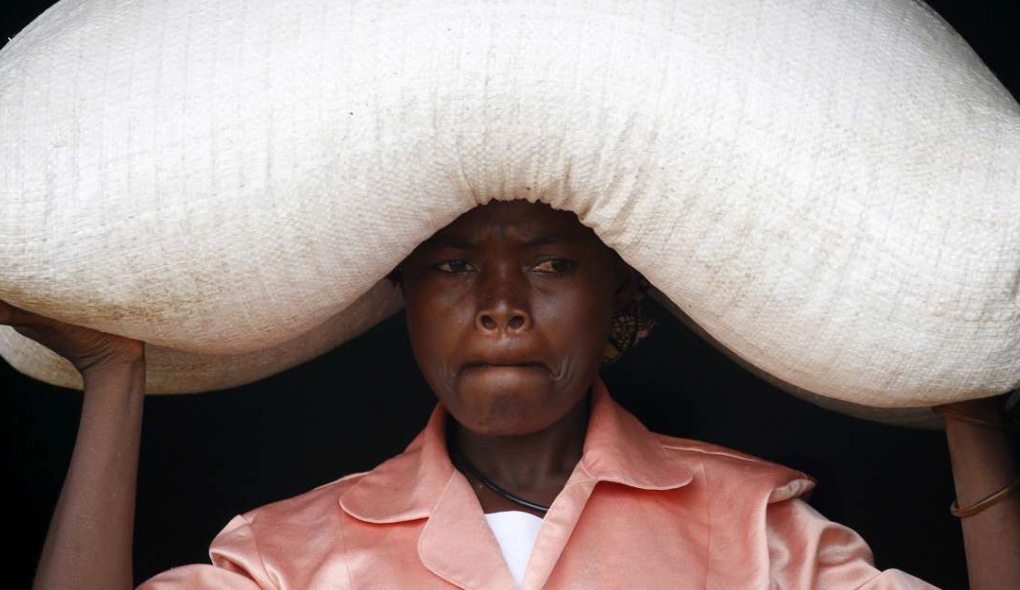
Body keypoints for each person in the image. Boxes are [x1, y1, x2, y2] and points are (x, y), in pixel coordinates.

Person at [5, 200, 1019, 589]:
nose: (499, 304)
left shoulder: (755, 534)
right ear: (397, 295)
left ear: (620, 292)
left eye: (549, 264)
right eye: (451, 265)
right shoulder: (293, 556)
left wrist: (971, 409)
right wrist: (115, 377)